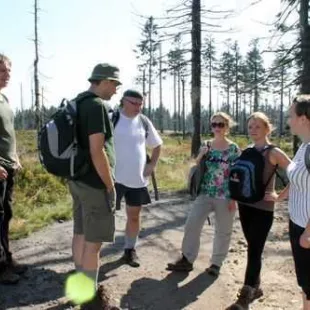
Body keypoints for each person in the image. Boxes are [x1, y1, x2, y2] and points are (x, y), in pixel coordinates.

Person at [67, 63, 121, 309]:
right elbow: (97, 149)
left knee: (80, 232)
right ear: (104, 81)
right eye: (115, 84)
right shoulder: (97, 106)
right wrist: (110, 186)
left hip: (77, 180)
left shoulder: (78, 102)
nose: (116, 89)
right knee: (94, 243)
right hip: (93, 183)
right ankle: (90, 300)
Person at [226, 112, 291, 310]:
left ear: (267, 129)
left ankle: (244, 296)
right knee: (252, 247)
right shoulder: (247, 150)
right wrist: (234, 198)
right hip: (246, 207)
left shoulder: (274, 152)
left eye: (257, 126)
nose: (253, 130)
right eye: (250, 127)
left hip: (264, 209)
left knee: (255, 249)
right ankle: (256, 287)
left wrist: (279, 197)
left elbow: (298, 175)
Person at [167, 112, 240, 276]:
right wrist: (201, 154)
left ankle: (216, 263)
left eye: (221, 124)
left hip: (225, 195)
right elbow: (195, 166)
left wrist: (234, 198)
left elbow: (237, 175)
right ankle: (187, 259)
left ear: (227, 127)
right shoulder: (206, 145)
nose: (217, 128)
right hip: (205, 193)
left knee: (223, 231)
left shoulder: (234, 148)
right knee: (192, 224)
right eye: (214, 124)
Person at [113, 89, 162, 267]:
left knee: (134, 216)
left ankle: (129, 250)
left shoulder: (143, 121)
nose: (138, 107)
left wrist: (152, 165)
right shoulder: (112, 119)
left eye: (140, 104)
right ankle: (91, 255)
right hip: (112, 179)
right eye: (134, 103)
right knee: (104, 216)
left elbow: (157, 145)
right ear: (123, 101)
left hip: (137, 180)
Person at [0, 54, 26, 285]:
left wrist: (15, 157)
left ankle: (7, 259)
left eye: (8, 71)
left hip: (9, 167)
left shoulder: (4, 98)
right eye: (2, 71)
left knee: (6, 214)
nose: (7, 75)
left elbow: (8, 133)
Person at [286, 95, 310, 310]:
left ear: (303, 118)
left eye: (291, 115)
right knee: (305, 280)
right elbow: (296, 177)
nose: (288, 120)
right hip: (297, 222)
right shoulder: (304, 147)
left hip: (308, 229)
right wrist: (280, 196)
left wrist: (309, 232)